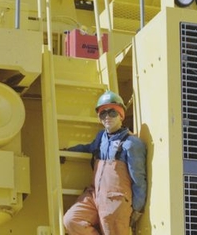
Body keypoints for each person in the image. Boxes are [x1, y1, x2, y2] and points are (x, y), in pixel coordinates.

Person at [63, 90, 147, 235]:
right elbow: (89, 148)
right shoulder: (101, 137)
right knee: (71, 220)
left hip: (116, 203)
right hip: (95, 196)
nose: (107, 117)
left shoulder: (132, 144)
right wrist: (67, 151)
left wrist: (137, 210)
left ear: (121, 115)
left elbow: (138, 180)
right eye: (103, 113)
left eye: (112, 112)